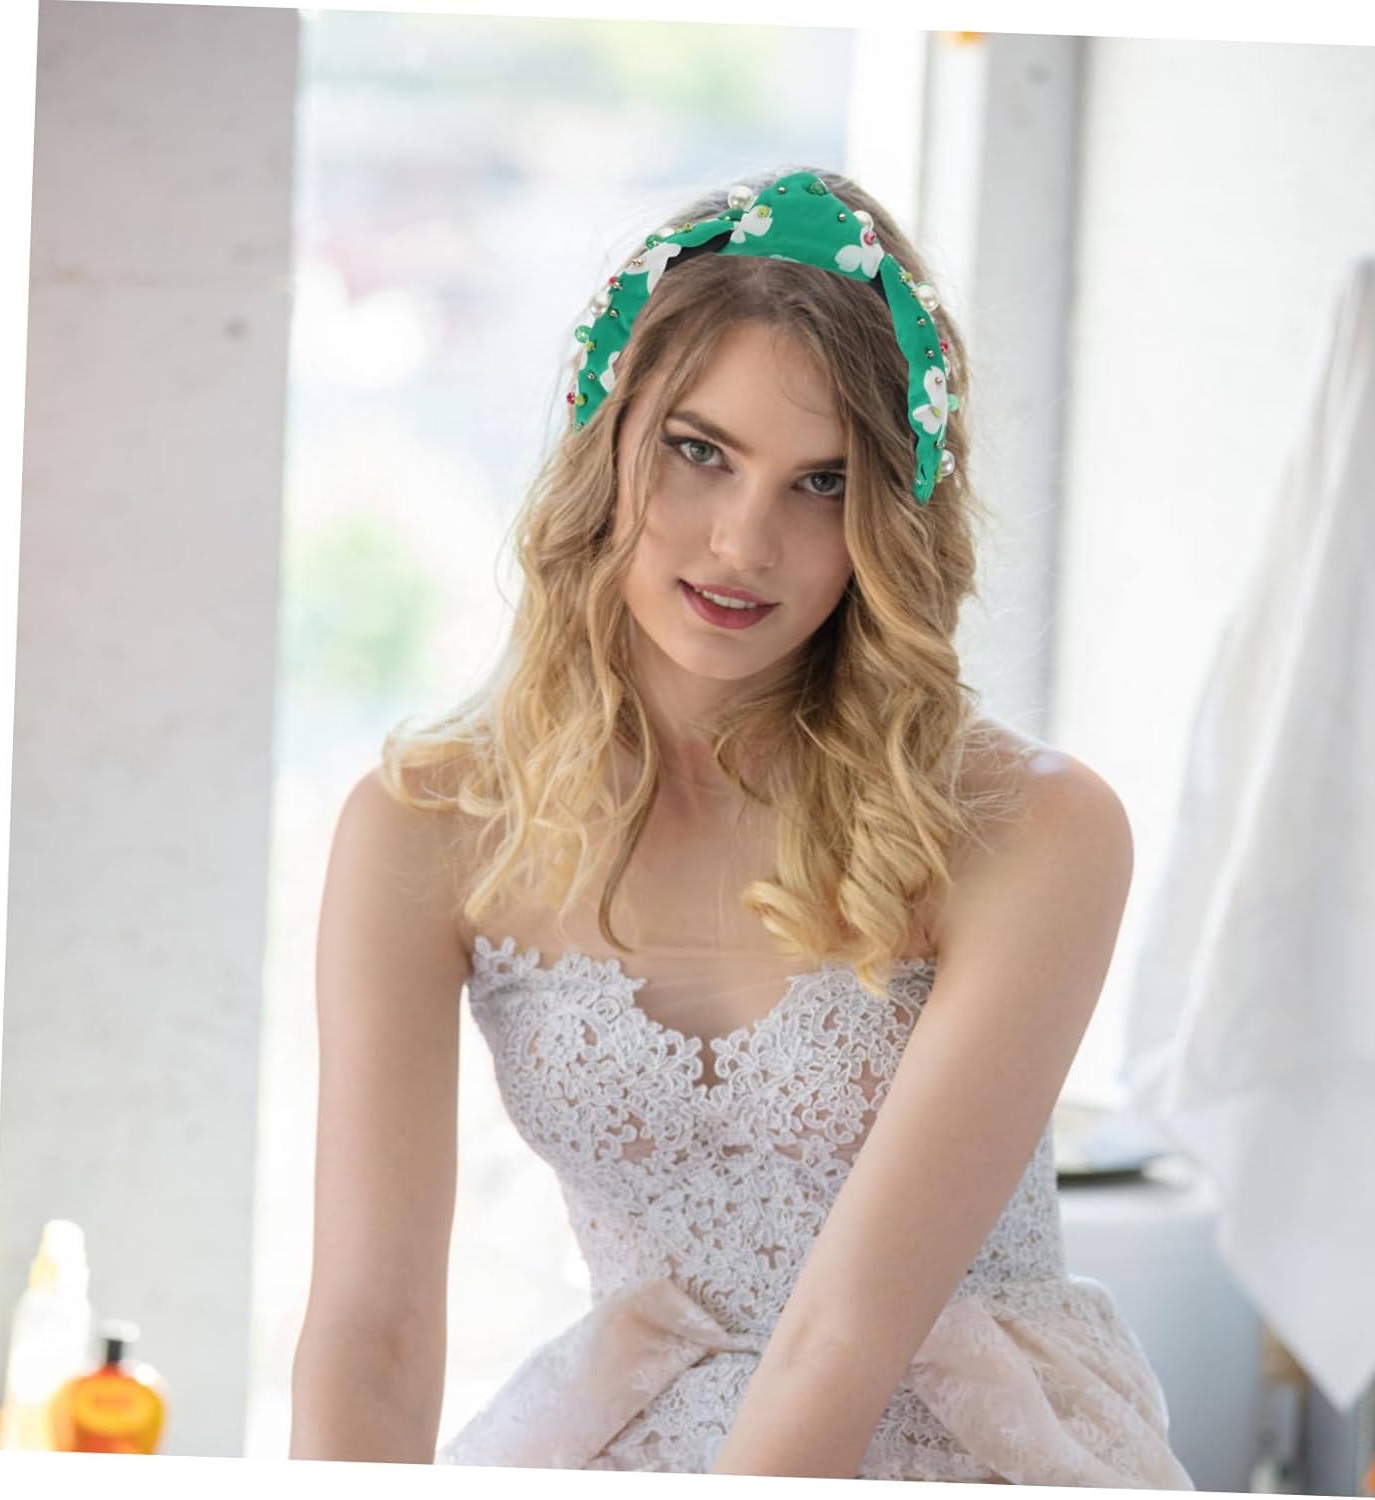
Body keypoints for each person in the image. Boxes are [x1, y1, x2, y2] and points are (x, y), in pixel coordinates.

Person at [289, 165, 1194, 1487]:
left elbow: (845, 1343)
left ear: (889, 517)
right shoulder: (423, 826)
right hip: (623, 1438)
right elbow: (371, 1334)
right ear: (605, 438)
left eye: (822, 483)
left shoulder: (1032, 828)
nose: (742, 542)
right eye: (698, 451)